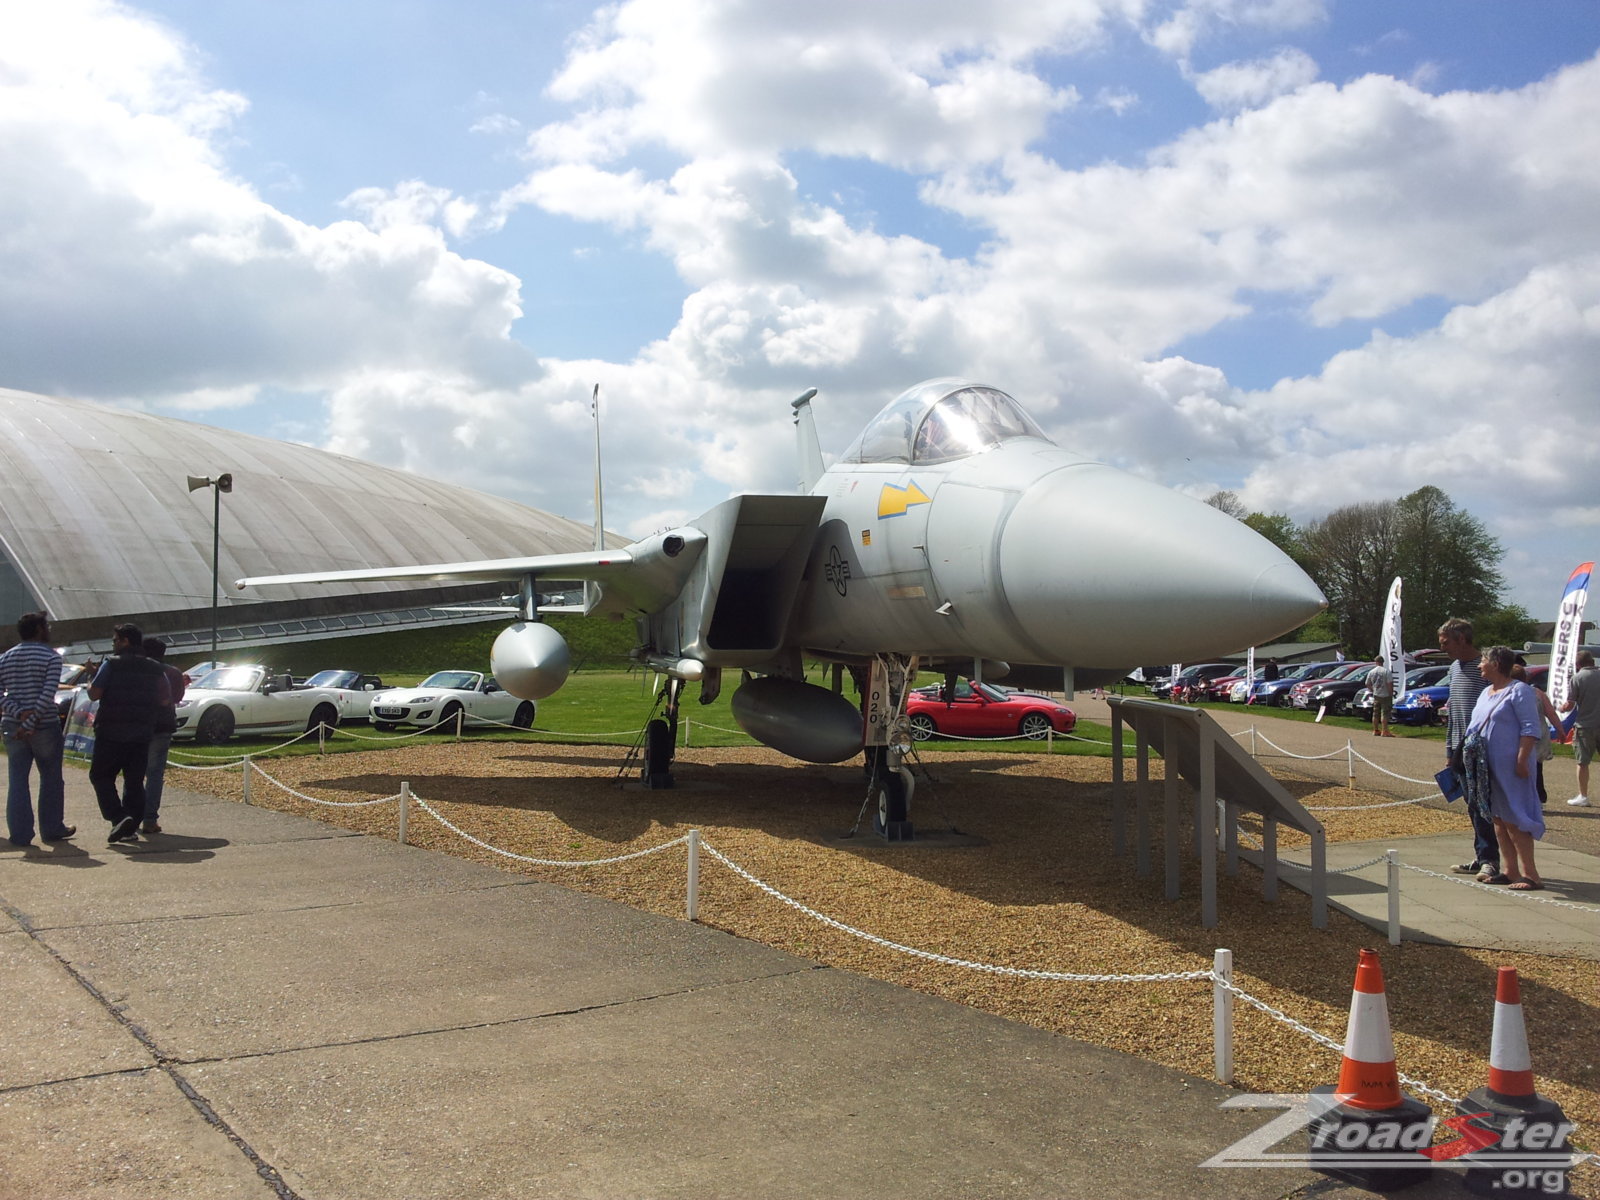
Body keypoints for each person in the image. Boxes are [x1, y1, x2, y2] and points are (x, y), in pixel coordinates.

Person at [1463, 646, 1545, 890]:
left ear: (1496, 664)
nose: (1479, 665)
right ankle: (1510, 870)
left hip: (1512, 767)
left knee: (1515, 818)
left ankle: (1531, 874)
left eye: (1483, 661)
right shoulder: (1486, 692)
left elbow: (1531, 728)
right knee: (1497, 818)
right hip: (1487, 768)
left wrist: (1521, 760)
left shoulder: (1520, 691)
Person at [88, 623, 170, 843]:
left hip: (110, 731)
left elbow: (94, 694)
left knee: (101, 776)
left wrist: (91, 679)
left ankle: (118, 816)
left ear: (125, 641)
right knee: (134, 781)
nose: (113, 644)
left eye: (115, 640)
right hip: (142, 732)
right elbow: (165, 699)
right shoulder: (155, 668)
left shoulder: (111, 665)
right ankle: (129, 827)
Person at [0, 611, 72, 846]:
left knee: (18, 779)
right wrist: (30, 722)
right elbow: (48, 693)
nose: (49, 630)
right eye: (47, 627)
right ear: (40, 629)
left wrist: (18, 713)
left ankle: (20, 834)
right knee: (51, 778)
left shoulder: (6, 657)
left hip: (13, 724)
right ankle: (52, 828)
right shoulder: (50, 657)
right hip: (44, 724)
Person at [1439, 617, 1495, 880]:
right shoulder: (1454, 668)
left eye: (1446, 642)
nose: (1442, 648)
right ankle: (1482, 856)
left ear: (1462, 639)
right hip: (1460, 749)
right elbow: (1454, 713)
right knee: (1471, 806)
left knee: (1483, 804)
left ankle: (1490, 860)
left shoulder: (1484, 668)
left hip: (1482, 749)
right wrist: (1450, 752)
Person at [141, 637, 185, 833]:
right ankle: (150, 818)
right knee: (155, 773)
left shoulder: (137, 671)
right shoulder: (173, 673)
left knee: (134, 773)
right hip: (163, 724)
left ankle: (131, 815)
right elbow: (177, 697)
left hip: (139, 725)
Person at [1561, 649, 1599, 807]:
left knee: (1583, 762)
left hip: (1585, 725)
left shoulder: (1577, 678)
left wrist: (1561, 708)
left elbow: (1570, 704)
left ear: (1577, 665)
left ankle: (1583, 795)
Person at [1367, 655, 1394, 738]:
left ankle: (1375, 730)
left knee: (1375, 713)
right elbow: (1389, 683)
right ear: (1383, 662)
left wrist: (1372, 690)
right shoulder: (1386, 671)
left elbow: (1367, 684)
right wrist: (1391, 693)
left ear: (1376, 662)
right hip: (1385, 694)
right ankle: (1384, 731)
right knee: (1385, 713)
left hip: (1376, 694)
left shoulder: (1371, 672)